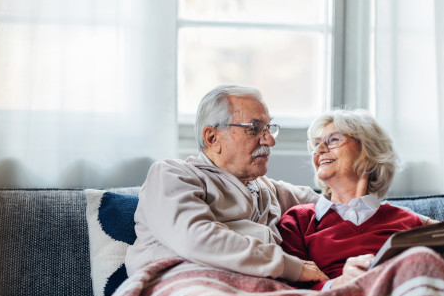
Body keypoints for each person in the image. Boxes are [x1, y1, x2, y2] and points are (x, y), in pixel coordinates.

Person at [125, 85, 328, 284]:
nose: (269, 141)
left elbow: (331, 204)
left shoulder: (265, 188)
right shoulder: (172, 175)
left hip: (249, 290)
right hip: (182, 283)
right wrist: (290, 267)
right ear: (212, 138)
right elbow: (197, 240)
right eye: (255, 129)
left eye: (268, 128)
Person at [278, 108, 444, 290]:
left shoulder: (408, 221)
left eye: (333, 139)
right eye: (316, 144)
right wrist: (340, 283)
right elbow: (289, 290)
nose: (319, 149)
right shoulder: (298, 221)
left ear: (368, 153)